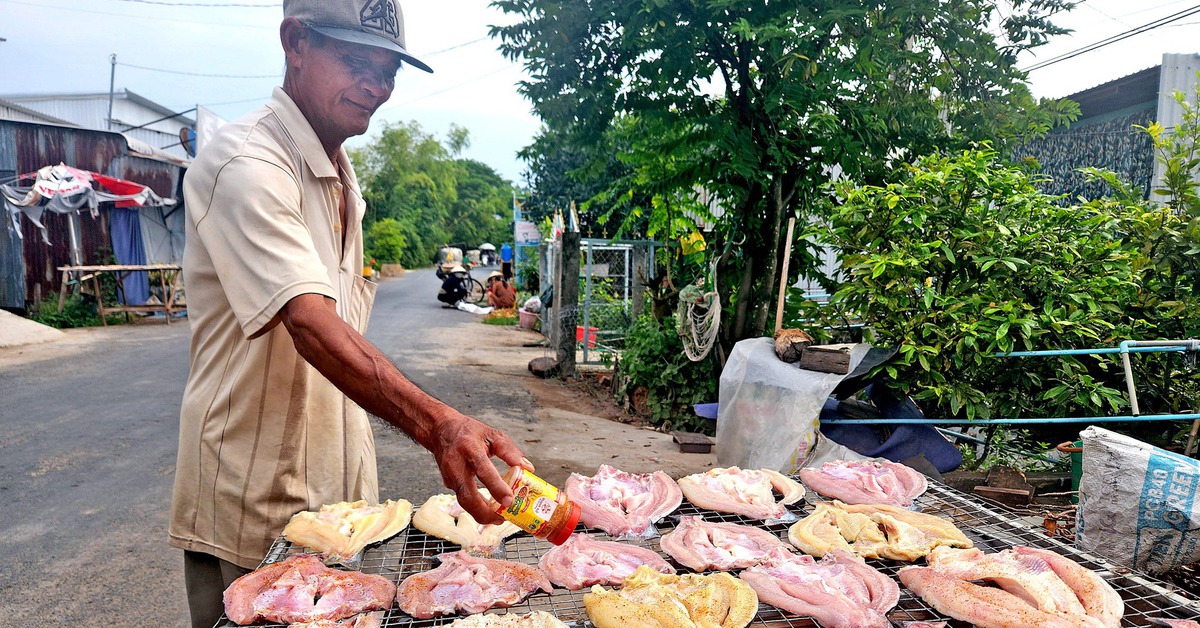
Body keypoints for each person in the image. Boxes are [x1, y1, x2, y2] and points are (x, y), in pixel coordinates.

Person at [168, 3, 528, 627]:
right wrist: (440, 425)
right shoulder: (245, 162)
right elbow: (309, 323)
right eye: (356, 61)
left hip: (344, 503)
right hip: (256, 495)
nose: (376, 86)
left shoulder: (339, 173)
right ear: (295, 43)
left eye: (388, 71)